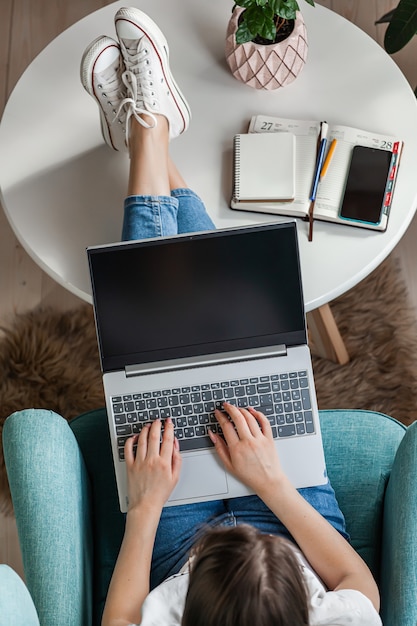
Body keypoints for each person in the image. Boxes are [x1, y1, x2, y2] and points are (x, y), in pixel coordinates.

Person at [80, 7, 382, 626]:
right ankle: (149, 131)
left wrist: (143, 514)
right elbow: (359, 586)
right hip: (289, 512)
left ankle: (148, 130)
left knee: (159, 338)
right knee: (237, 328)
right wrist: (272, 484)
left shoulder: (183, 594)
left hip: (175, 540)